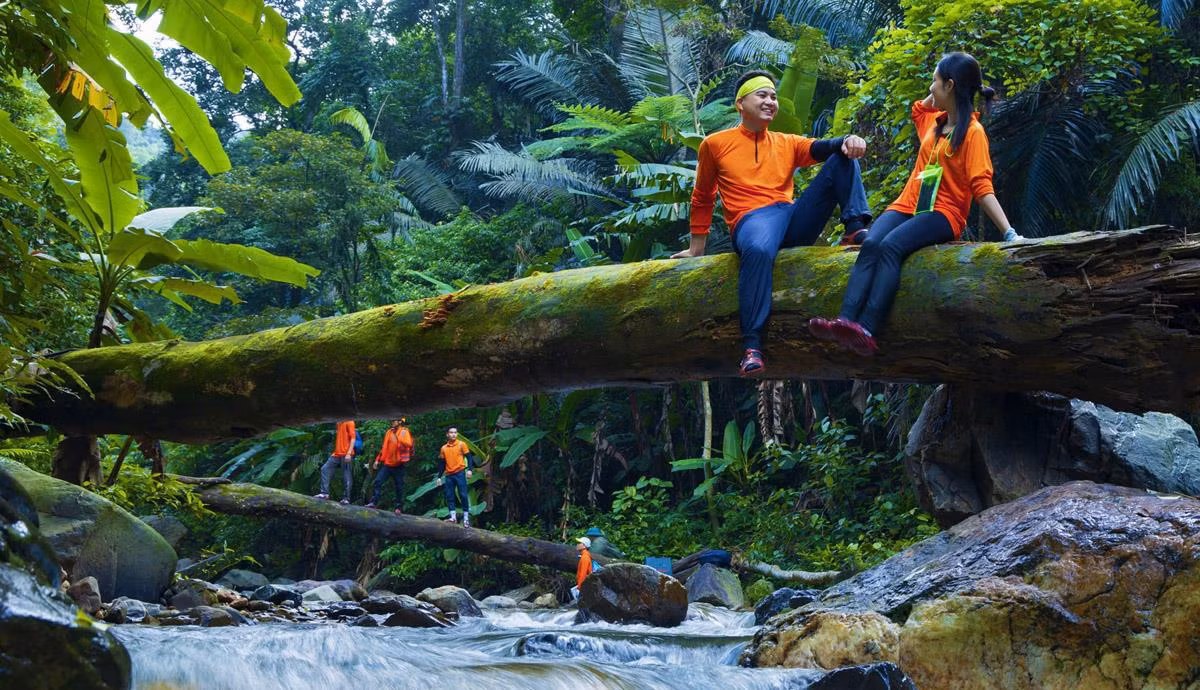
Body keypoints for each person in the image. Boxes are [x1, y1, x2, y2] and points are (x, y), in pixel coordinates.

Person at [809, 52, 1018, 357]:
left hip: (944, 213)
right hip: (909, 203)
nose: (930, 88)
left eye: (935, 81)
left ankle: (867, 328)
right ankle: (845, 321)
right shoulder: (933, 123)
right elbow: (920, 107)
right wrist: (943, 93)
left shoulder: (973, 134)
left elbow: (981, 187)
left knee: (892, 247)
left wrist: (1009, 232)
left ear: (950, 84)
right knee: (871, 244)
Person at [671, 69, 872, 377]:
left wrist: (848, 139)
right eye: (761, 95)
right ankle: (752, 346)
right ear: (741, 103)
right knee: (758, 249)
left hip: (789, 218)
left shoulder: (785, 142)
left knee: (841, 156)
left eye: (774, 96)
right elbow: (702, 197)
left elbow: (821, 146)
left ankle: (855, 227)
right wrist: (696, 248)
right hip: (751, 220)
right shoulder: (714, 144)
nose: (770, 101)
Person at [367, 417, 413, 514]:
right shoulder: (389, 432)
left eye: (394, 420)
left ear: (400, 422)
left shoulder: (404, 431)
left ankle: (398, 508)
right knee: (378, 482)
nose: (392, 422)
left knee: (399, 487)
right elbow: (384, 447)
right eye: (391, 420)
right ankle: (373, 502)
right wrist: (377, 460)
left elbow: (409, 443)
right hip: (387, 464)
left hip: (399, 465)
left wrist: (399, 437)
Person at [437, 427, 472, 527]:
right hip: (449, 475)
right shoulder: (444, 448)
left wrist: (469, 470)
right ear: (447, 434)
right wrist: (439, 477)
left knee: (463, 495)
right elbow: (442, 463)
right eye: (451, 432)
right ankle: (453, 517)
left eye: (455, 432)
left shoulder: (461, 444)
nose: (453, 434)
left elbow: (469, 457)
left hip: (460, 473)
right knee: (450, 496)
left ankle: (466, 519)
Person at [315, 420, 356, 504]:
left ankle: (346, 498)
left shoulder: (350, 422)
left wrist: (348, 453)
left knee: (346, 475)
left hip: (346, 454)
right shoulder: (339, 422)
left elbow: (353, 438)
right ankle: (324, 493)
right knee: (325, 469)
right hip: (337, 453)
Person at [570, 536, 595, 600]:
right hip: (586, 586)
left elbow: (583, 574)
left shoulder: (585, 557)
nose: (577, 544)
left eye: (579, 543)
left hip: (585, 587)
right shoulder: (584, 555)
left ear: (584, 546)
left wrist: (579, 588)